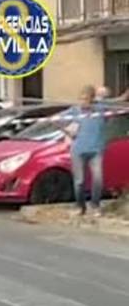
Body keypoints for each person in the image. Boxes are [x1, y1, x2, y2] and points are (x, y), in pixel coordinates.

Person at [60, 85, 108, 217]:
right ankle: (80, 206)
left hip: (96, 150)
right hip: (78, 150)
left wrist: (103, 93)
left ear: (92, 99)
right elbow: (57, 120)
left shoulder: (101, 109)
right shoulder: (74, 111)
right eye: (81, 99)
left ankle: (95, 206)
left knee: (98, 179)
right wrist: (68, 132)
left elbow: (117, 101)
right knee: (79, 181)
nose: (83, 102)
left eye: (86, 99)